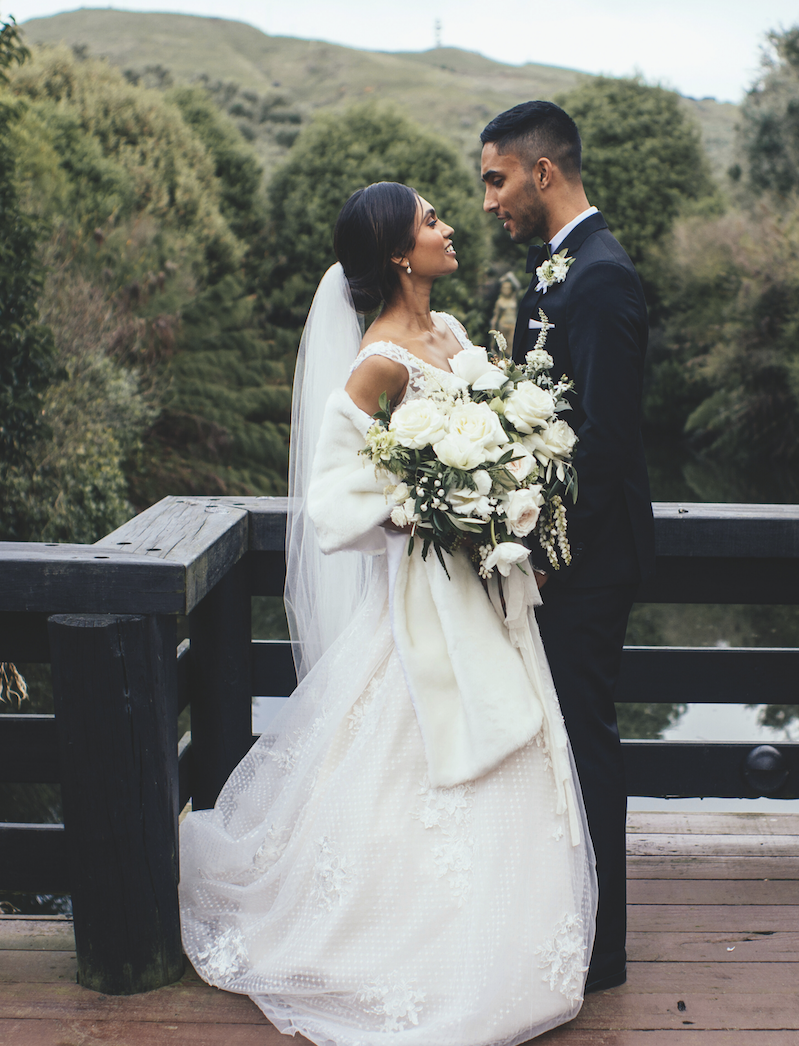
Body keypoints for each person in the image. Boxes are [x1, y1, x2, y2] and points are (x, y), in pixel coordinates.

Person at [178, 181, 596, 1046]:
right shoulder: (378, 361)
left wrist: (509, 488)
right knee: (419, 762)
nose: (449, 229)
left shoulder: (451, 336)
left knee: (503, 747)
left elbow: (493, 435)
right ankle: (409, 950)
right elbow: (333, 501)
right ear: (401, 255)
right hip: (420, 601)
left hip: (485, 592)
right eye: (432, 222)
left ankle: (505, 946)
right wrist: (424, 510)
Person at [480, 101, 656, 994]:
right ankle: (561, 918)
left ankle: (603, 950)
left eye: (496, 179)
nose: (486, 202)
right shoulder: (558, 271)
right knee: (552, 743)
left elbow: (606, 441)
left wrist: (550, 549)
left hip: (582, 564)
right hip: (547, 555)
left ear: (542, 172)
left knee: (586, 743)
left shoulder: (603, 278)